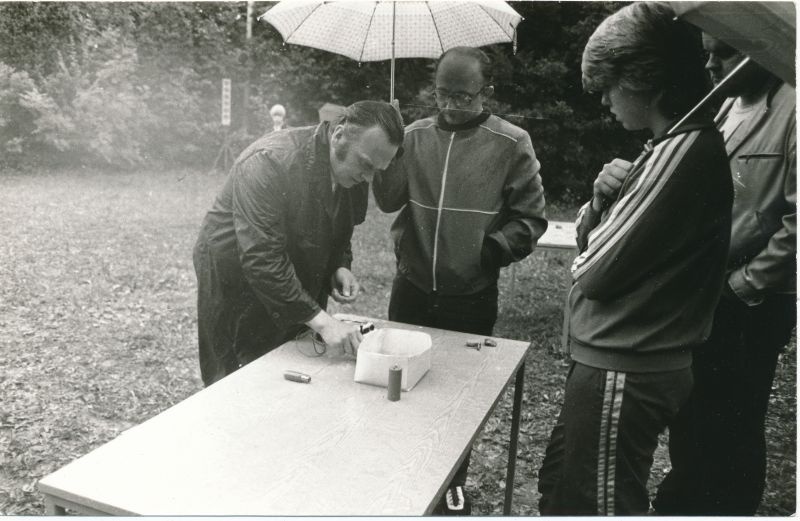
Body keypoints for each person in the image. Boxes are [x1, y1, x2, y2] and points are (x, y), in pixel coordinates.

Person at [536, 3, 733, 515]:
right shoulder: (664, 147)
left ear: (644, 76)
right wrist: (601, 202)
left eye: (607, 84)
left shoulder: (682, 150)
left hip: (628, 365)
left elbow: (593, 271)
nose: (602, 99)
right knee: (565, 489)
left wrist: (595, 231)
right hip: (616, 361)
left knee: (601, 503)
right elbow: (598, 241)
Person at [372, 46, 547, 514]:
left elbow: (530, 220)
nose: (451, 106)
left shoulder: (511, 143)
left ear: (486, 93)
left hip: (470, 295)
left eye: (463, 97)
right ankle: (402, 478)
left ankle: (452, 483)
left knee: (455, 401)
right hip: (411, 287)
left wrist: (489, 252)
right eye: (442, 95)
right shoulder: (413, 135)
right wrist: (390, 143)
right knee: (400, 387)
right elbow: (388, 200)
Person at [653, 35, 796, 516]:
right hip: (702, 292)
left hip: (751, 304)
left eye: (725, 53)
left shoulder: (794, 108)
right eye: (707, 52)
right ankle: (685, 499)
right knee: (691, 416)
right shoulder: (723, 105)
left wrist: (745, 285)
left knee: (733, 429)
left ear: (764, 47)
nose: (711, 64)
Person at [193, 100, 404, 387]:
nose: (368, 178)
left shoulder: (355, 166)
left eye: (377, 171)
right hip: (235, 274)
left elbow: (341, 231)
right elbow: (261, 258)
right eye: (366, 165)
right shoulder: (268, 161)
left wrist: (339, 266)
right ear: (339, 134)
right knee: (237, 380)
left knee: (292, 363)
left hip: (286, 264)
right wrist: (324, 321)